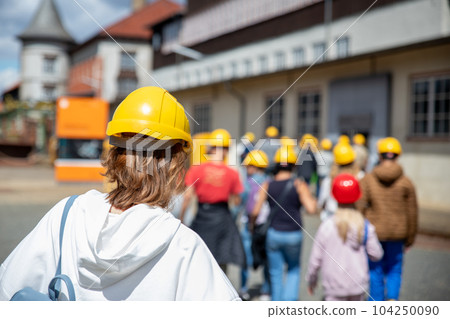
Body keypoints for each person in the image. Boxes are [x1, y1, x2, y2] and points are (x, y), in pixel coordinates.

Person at [0, 87, 240, 301]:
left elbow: (8, 289)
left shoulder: (66, 216)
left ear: (115, 153)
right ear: (174, 164)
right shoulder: (185, 247)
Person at [356, 137, 418, 301]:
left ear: (380, 156)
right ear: (397, 156)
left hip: (374, 233)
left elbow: (360, 207)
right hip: (398, 234)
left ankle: (375, 303)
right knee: (394, 270)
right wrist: (410, 238)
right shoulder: (406, 182)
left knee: (375, 270)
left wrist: (360, 232)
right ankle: (391, 300)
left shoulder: (368, 179)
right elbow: (412, 213)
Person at [252, 146, 316, 301]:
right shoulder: (298, 184)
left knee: (275, 273)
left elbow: (255, 211)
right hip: (294, 233)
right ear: (294, 165)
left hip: (274, 233)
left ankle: (276, 304)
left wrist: (252, 226)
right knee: (293, 270)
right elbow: (312, 208)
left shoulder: (268, 184)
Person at [306, 174, 383, 301]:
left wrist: (312, 280)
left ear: (334, 196)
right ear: (357, 196)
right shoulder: (364, 225)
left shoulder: (327, 225)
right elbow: (377, 253)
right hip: (358, 284)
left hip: (333, 285)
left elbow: (315, 259)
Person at [180, 128, 246, 273]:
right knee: (222, 259)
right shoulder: (232, 173)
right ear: (226, 150)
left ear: (211, 148)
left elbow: (187, 197)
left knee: (201, 258)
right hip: (222, 217)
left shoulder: (197, 169)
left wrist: (182, 219)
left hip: (203, 217)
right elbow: (237, 201)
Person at [239, 150, 271, 300]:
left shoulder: (249, 183)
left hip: (249, 225)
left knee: (245, 258)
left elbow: (249, 207)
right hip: (265, 227)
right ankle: (265, 290)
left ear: (254, 166)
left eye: (248, 166)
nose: (246, 168)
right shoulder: (269, 181)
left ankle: (244, 289)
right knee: (266, 258)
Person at [317, 143, 362, 221]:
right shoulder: (361, 177)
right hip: (355, 217)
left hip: (333, 217)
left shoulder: (329, 179)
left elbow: (321, 202)